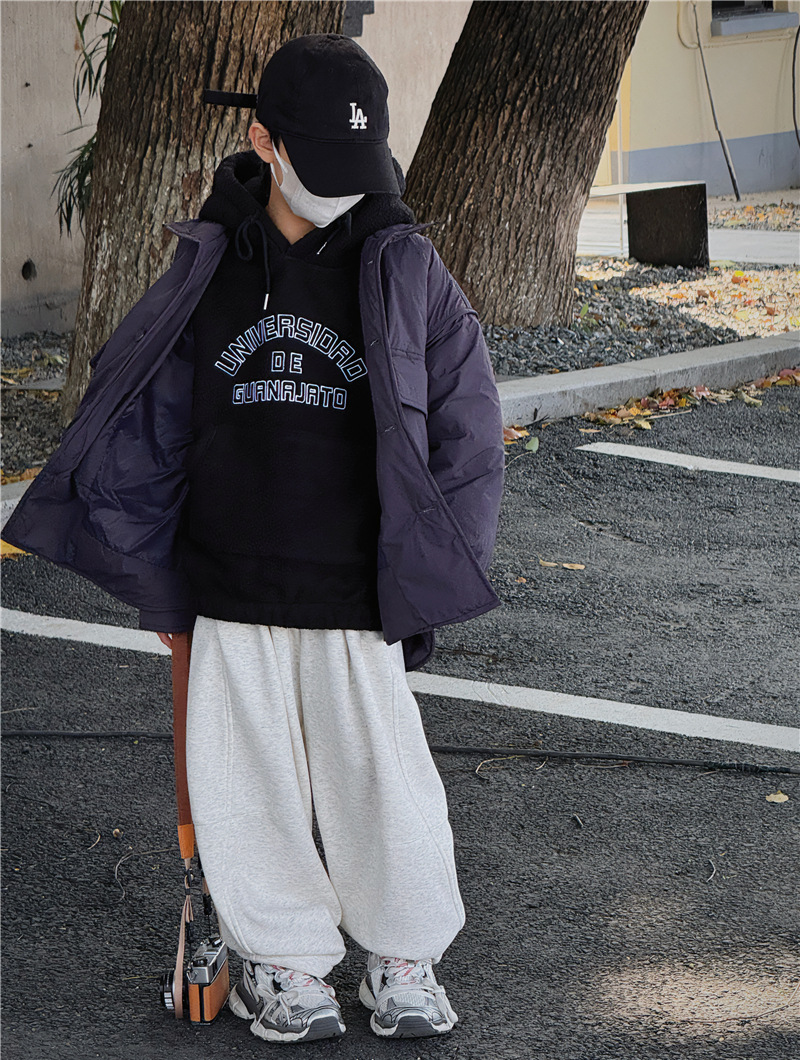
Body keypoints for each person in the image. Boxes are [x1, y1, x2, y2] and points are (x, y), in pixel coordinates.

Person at [2, 32, 504, 1044]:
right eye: (321, 161)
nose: (343, 186)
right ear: (264, 142)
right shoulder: (207, 264)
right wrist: (157, 575)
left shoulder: (403, 263)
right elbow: (146, 418)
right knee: (248, 779)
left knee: (383, 775)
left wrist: (436, 564)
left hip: (356, 583)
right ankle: (280, 962)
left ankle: (402, 954)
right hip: (230, 577)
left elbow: (469, 425)